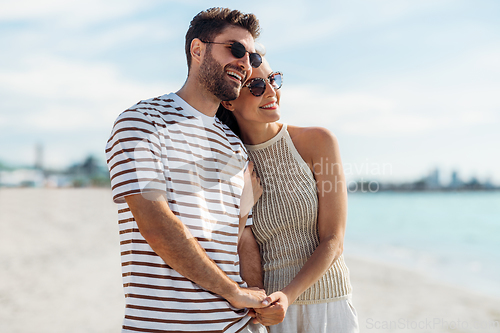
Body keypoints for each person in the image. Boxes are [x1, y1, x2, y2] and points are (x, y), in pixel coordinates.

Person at [105, 8, 270, 333]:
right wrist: (233, 293)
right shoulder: (142, 123)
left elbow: (243, 238)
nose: (244, 63)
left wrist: (259, 306)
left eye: (251, 58)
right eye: (235, 49)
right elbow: (156, 224)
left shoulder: (234, 146)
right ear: (198, 49)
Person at [217, 57, 360, 332]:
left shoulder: (318, 141)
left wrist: (289, 294)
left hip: (328, 307)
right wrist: (244, 208)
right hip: (268, 313)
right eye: (256, 85)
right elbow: (228, 246)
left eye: (274, 79)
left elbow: (334, 239)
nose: (271, 91)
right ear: (229, 101)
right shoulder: (229, 162)